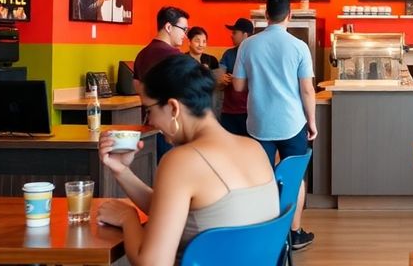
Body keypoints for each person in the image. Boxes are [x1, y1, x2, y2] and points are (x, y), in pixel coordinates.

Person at [96, 55, 279, 265]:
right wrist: (121, 170)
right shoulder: (254, 148)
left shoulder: (181, 161)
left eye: (149, 110)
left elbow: (153, 263)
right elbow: (177, 212)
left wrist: (128, 218)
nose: (151, 122)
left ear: (173, 108)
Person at [233, 0, 317, 250]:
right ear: (290, 16)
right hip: (292, 123)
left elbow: (237, 86)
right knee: (294, 177)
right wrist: (311, 121)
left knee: (262, 178)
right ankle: (294, 233)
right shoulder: (299, 46)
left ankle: (266, 234)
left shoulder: (248, 45)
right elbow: (307, 90)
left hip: (259, 124)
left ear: (265, 15)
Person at [135, 6, 189, 160]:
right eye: (184, 29)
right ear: (168, 27)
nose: (185, 35)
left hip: (150, 126)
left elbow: (137, 87)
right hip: (173, 128)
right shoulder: (175, 57)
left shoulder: (142, 54)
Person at [219, 18, 253, 137]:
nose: (231, 36)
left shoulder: (256, 53)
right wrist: (222, 79)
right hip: (228, 112)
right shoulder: (228, 54)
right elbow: (220, 76)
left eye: (234, 32)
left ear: (245, 34)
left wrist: (238, 80)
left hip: (250, 112)